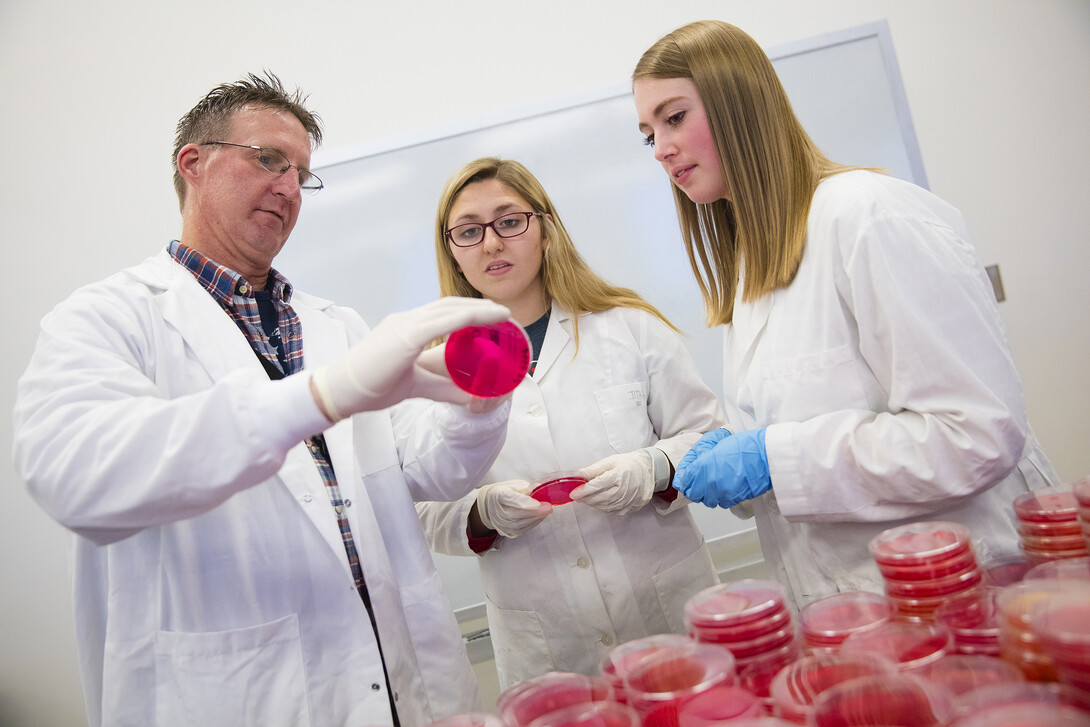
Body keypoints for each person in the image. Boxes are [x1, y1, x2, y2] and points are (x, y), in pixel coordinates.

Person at [12, 73, 515, 727]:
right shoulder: (107, 320)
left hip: (400, 688)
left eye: (301, 173)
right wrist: (320, 395)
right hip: (241, 695)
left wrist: (476, 405)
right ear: (192, 163)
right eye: (268, 159)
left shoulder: (334, 325)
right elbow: (77, 477)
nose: (287, 187)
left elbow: (423, 470)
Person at [631, 21, 1060, 609]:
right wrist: (752, 455)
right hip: (853, 610)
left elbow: (975, 433)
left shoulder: (869, 216)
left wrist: (773, 457)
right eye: (648, 133)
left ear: (740, 103)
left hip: (966, 594)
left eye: (673, 117)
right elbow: (810, 426)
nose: (661, 148)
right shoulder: (756, 263)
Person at [415, 157, 727, 689]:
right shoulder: (432, 369)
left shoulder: (629, 327)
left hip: (668, 612)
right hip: (547, 643)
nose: (491, 244)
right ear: (453, 253)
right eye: (469, 231)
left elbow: (713, 437)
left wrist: (653, 467)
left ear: (546, 227)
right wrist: (480, 512)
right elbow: (419, 509)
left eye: (510, 221)